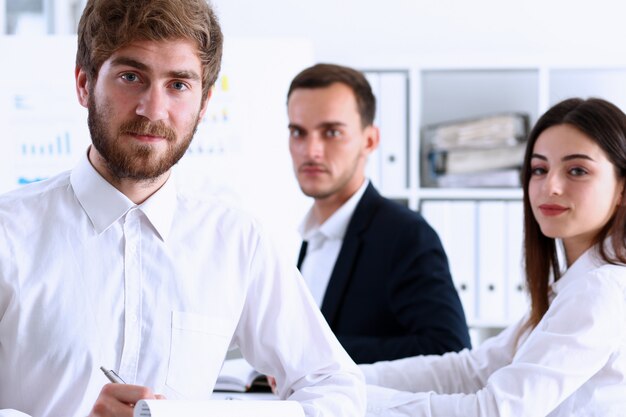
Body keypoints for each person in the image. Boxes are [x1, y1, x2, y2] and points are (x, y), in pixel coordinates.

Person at [0, 2, 366, 417]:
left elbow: (335, 386)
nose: (153, 110)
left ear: (204, 102)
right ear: (84, 84)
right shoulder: (8, 233)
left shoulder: (237, 242)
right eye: (130, 77)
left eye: (178, 85)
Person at [360, 97, 626, 416]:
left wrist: (350, 399)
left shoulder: (600, 288)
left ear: (622, 188)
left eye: (577, 170)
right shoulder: (576, 284)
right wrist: (345, 379)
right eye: (539, 169)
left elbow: (495, 411)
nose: (550, 186)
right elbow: (471, 370)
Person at [287, 63, 471, 364]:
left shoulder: (405, 234)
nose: (311, 151)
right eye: (298, 132)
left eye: (331, 132)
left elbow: (448, 348)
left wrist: (313, 352)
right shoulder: (310, 234)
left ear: (370, 141)